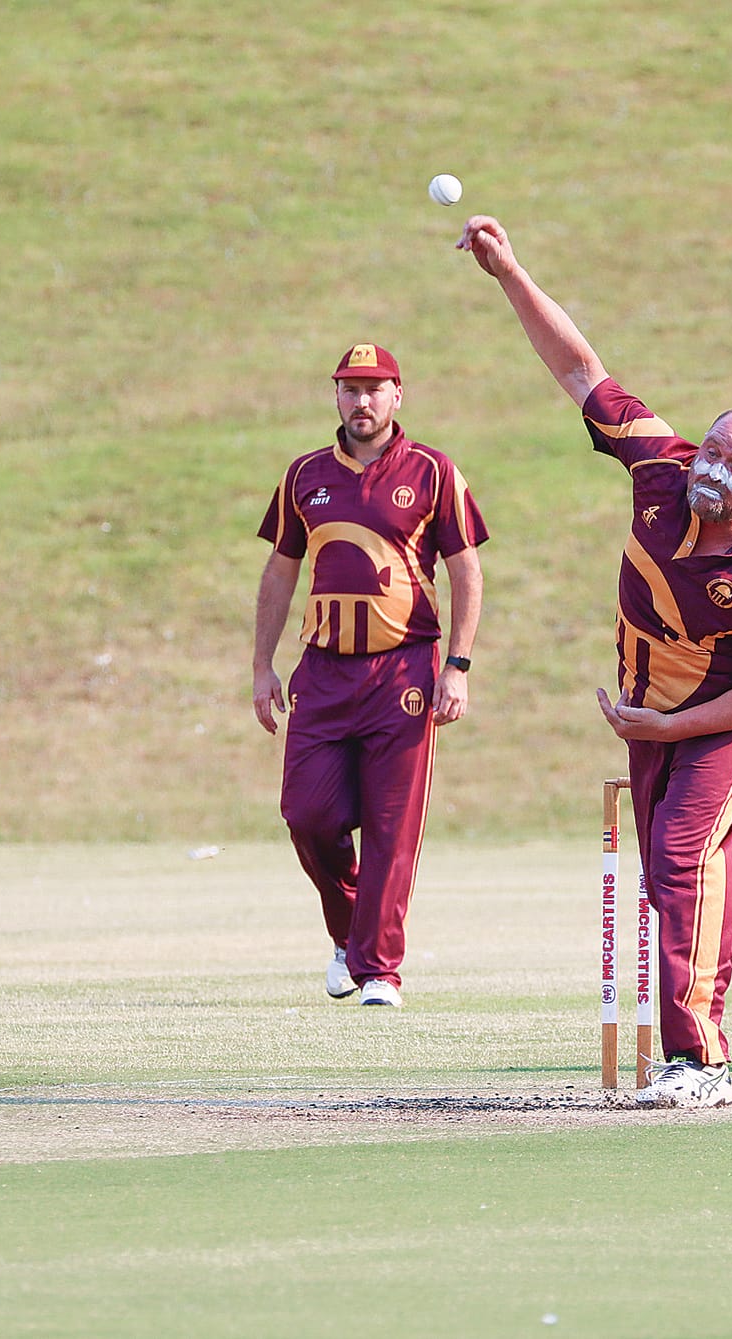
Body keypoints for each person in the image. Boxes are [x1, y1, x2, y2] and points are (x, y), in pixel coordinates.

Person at [457, 215, 732, 1108]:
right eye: (713, 450)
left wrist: (673, 726)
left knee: (684, 854)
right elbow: (580, 369)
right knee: (677, 877)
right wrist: (508, 272)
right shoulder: (661, 464)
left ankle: (702, 1059)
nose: (714, 471)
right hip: (650, 710)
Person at [252, 344, 488, 1007]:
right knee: (307, 814)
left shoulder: (433, 471)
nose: (362, 401)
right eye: (350, 389)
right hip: (322, 670)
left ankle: (380, 970)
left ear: (397, 395)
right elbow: (280, 571)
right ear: (336, 396)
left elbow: (467, 571)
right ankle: (349, 933)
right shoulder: (304, 475)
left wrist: (458, 666)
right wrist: (262, 665)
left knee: (391, 826)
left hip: (403, 670)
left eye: (374, 388)